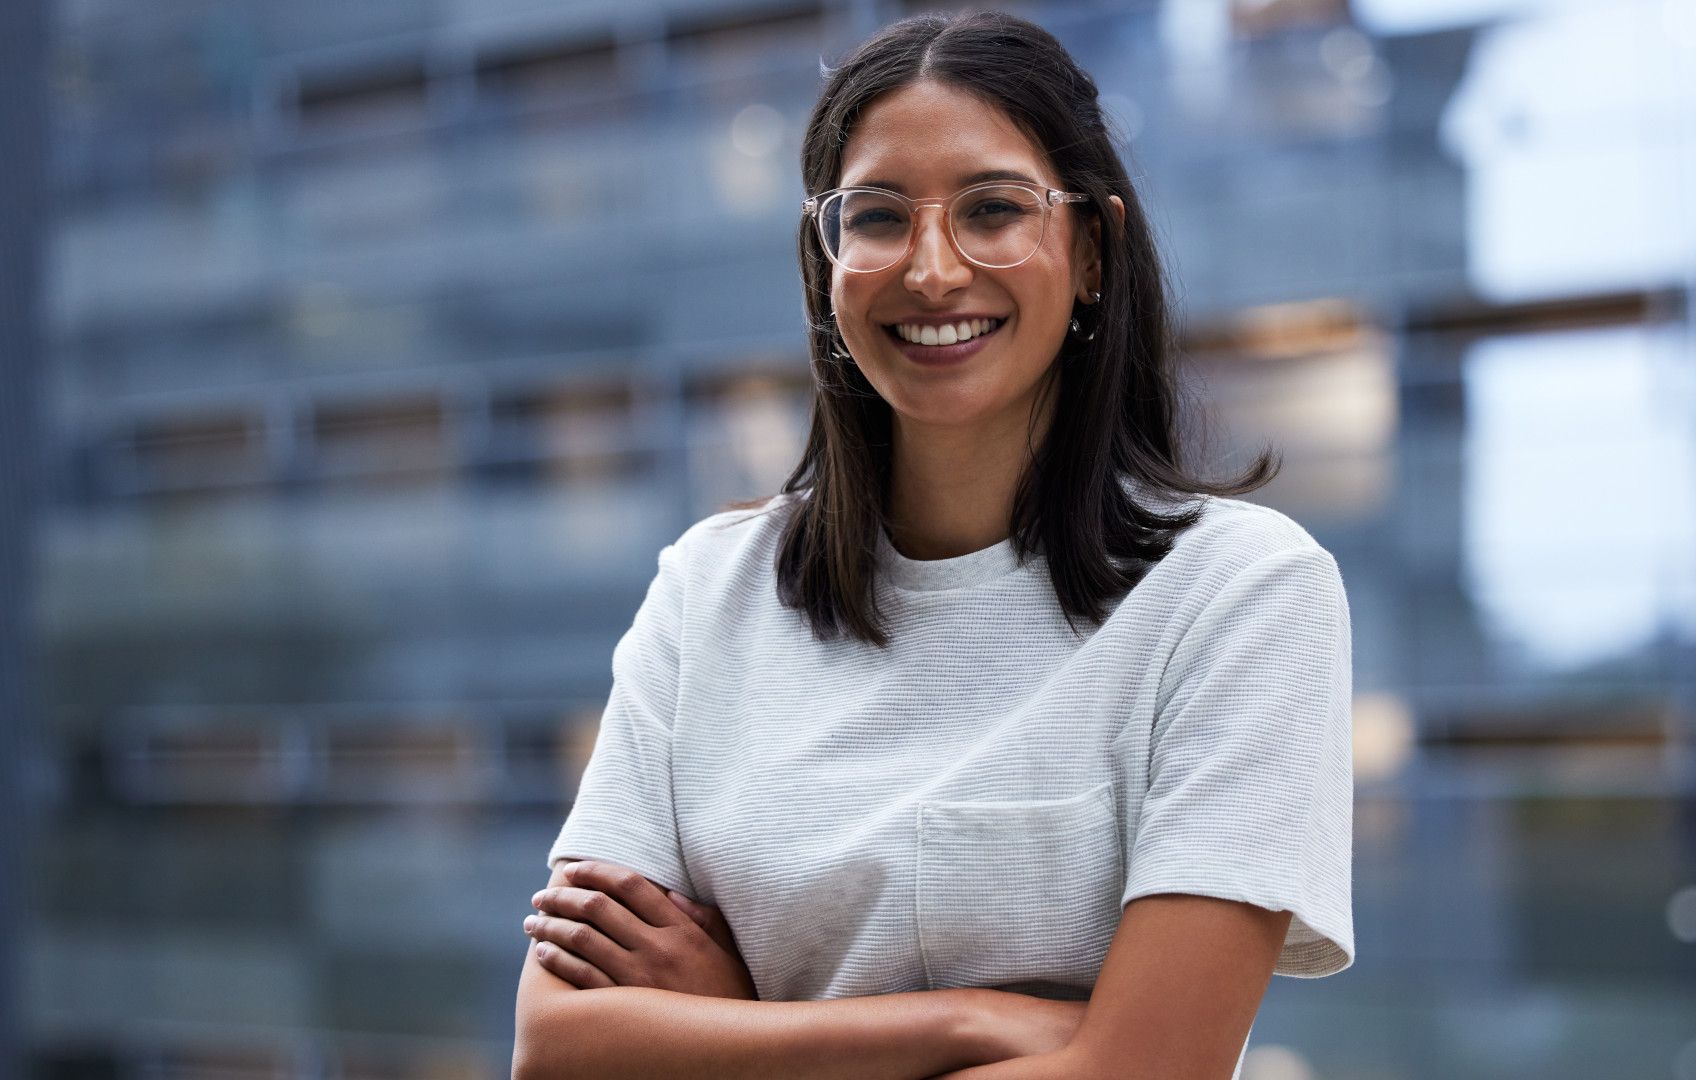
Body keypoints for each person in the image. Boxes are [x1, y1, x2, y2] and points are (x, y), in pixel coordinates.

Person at [511, 10, 1354, 1079]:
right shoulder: (706, 592)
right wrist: (968, 1023)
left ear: (1091, 249)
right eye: (876, 217)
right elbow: (557, 1046)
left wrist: (737, 1025)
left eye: (994, 208)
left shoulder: (1241, 594)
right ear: (824, 263)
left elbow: (1144, 1074)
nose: (933, 269)